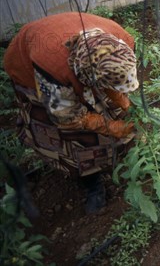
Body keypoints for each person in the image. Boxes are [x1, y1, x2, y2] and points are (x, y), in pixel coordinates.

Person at [3, 12, 139, 213]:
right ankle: (92, 183)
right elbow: (67, 118)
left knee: (114, 108)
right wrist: (109, 126)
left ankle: (125, 154)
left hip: (76, 52)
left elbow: (116, 69)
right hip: (33, 67)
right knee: (71, 137)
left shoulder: (122, 39)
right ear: (88, 73)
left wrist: (121, 98)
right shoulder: (51, 68)